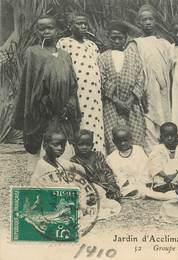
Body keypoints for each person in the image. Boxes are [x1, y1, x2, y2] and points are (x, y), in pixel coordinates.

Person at [13, 16, 81, 171]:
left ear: (57, 30)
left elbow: (72, 84)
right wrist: (45, 103)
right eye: (42, 29)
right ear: (37, 31)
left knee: (63, 152)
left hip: (64, 112)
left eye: (49, 28)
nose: (46, 32)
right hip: (43, 111)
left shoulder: (65, 55)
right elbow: (31, 84)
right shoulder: (33, 53)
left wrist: (68, 105)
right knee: (44, 152)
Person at [31, 129, 121, 220]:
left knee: (98, 190)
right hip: (51, 201)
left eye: (63, 145)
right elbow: (61, 191)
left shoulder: (57, 161)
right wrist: (83, 204)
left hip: (65, 195)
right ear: (45, 145)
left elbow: (76, 167)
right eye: (55, 145)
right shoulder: (44, 166)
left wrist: (81, 174)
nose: (60, 148)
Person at [57, 12, 106, 154]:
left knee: (95, 122)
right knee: (79, 121)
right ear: (69, 26)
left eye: (85, 23)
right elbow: (62, 69)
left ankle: (97, 155)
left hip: (95, 95)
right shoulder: (64, 43)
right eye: (79, 23)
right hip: (77, 93)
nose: (84, 26)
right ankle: (78, 157)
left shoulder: (92, 45)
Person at [128, 5, 174, 151]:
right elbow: (133, 71)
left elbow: (172, 69)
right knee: (149, 125)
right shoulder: (135, 44)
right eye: (144, 19)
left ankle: (167, 159)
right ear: (139, 23)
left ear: (155, 21)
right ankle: (152, 160)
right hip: (146, 92)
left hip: (164, 92)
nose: (148, 22)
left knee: (166, 123)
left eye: (151, 19)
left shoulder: (164, 43)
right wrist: (140, 93)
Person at [98, 21, 147, 154]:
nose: (117, 41)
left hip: (132, 106)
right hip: (111, 105)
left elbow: (140, 79)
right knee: (113, 138)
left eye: (120, 38)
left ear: (126, 38)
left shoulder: (134, 57)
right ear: (109, 38)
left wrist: (129, 101)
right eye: (114, 38)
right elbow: (102, 81)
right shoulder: (103, 58)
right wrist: (117, 102)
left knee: (136, 139)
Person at [106, 126, 177, 201]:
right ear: (113, 141)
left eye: (125, 140)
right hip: (129, 187)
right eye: (119, 141)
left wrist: (145, 182)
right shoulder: (111, 158)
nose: (122, 143)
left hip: (144, 182)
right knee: (138, 191)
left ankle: (155, 193)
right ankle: (167, 196)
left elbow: (145, 168)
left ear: (130, 139)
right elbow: (120, 177)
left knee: (153, 186)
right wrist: (136, 185)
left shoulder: (138, 150)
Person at [71, 129, 121, 201]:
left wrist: (112, 184)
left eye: (87, 144)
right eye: (81, 144)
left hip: (106, 186)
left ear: (92, 145)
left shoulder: (98, 155)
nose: (84, 147)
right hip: (91, 189)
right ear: (74, 145)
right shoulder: (74, 161)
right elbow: (80, 181)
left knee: (115, 191)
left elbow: (107, 171)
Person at [148, 122, 178, 192]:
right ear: (161, 137)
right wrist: (166, 176)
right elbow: (155, 166)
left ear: (177, 136)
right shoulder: (157, 149)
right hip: (163, 180)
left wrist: (176, 176)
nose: (169, 138)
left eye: (172, 136)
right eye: (166, 136)